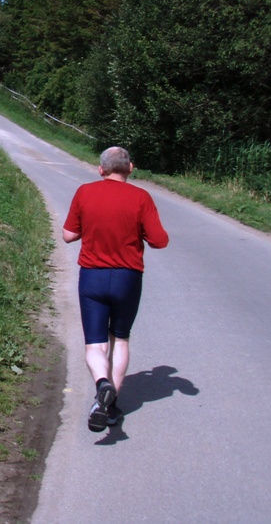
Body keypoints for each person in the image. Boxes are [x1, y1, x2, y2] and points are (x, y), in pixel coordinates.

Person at [62, 147, 169, 432]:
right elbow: (160, 241)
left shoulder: (85, 192)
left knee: (95, 344)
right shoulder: (141, 198)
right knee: (120, 339)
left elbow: (68, 235)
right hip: (127, 278)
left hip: (92, 278)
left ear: (101, 169)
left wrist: (91, 225)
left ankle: (102, 383)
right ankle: (108, 406)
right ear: (130, 168)